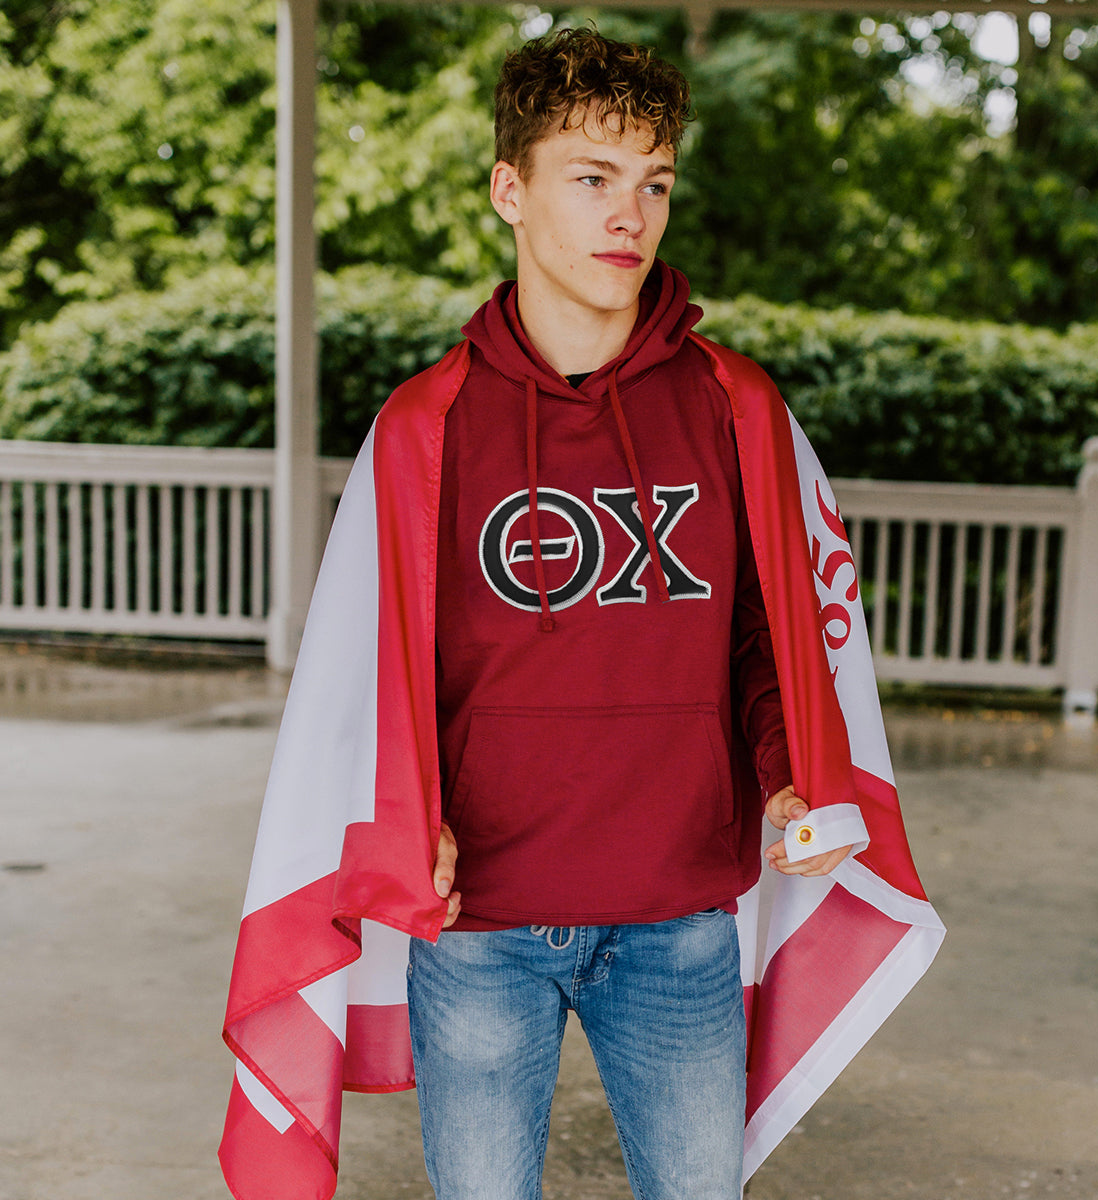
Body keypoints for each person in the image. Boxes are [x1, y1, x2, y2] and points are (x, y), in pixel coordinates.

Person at [219, 27, 943, 1200]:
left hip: (678, 923)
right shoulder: (427, 426)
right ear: (510, 189)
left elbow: (772, 642)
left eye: (654, 183)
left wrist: (789, 772)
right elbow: (372, 675)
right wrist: (412, 821)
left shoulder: (732, 406)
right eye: (593, 178)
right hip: (482, 929)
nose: (631, 215)